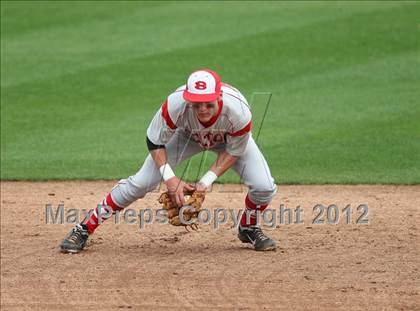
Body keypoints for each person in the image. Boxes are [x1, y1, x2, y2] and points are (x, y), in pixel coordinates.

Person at [60, 69, 277, 252]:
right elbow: (154, 142)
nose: (202, 109)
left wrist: (204, 183)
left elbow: (234, 151)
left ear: (219, 97)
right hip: (185, 136)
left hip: (227, 141)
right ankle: (84, 228)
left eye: (208, 104)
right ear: (188, 98)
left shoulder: (238, 112)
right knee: (141, 183)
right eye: (196, 103)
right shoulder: (175, 105)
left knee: (264, 187)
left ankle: (248, 228)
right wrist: (171, 180)